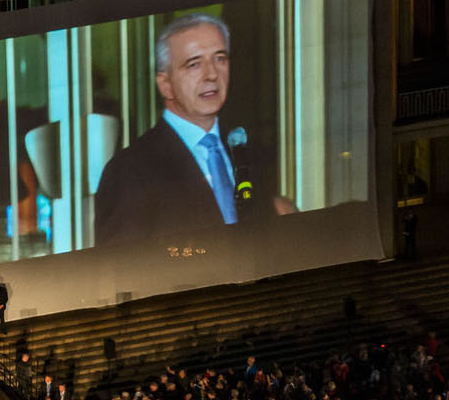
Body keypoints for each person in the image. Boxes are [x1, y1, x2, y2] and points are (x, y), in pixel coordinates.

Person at [94, 13, 299, 251]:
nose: (212, 74)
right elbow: (122, 276)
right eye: (194, 64)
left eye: (220, 58)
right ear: (166, 84)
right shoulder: (129, 172)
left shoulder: (247, 150)